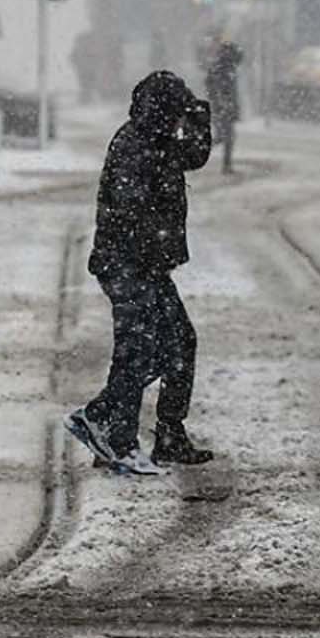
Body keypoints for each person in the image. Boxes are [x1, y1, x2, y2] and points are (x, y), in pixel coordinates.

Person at [67, 70, 216, 474]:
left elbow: (195, 157)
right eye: (177, 114)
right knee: (139, 348)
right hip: (127, 265)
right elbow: (133, 212)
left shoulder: (159, 140)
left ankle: (165, 433)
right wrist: (154, 252)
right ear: (164, 111)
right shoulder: (136, 144)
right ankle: (117, 439)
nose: (179, 123)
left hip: (146, 267)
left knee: (179, 344)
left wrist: (201, 122)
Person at [205, 38, 244, 174]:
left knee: (225, 136)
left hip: (223, 106)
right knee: (226, 137)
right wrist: (222, 102)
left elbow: (211, 85)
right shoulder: (223, 67)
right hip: (223, 107)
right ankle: (195, 151)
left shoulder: (224, 66)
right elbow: (216, 87)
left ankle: (226, 165)